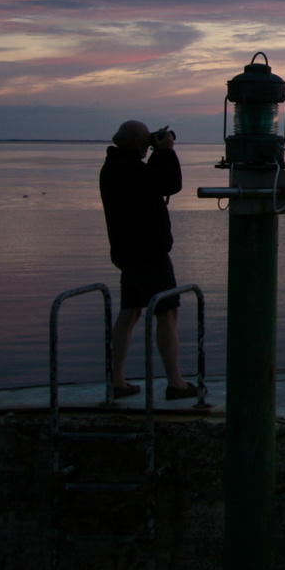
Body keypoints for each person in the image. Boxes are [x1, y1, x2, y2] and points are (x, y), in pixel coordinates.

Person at [100, 120, 195, 399]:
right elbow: (170, 183)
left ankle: (117, 382)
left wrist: (156, 152)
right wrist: (166, 151)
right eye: (145, 141)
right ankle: (176, 383)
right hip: (148, 255)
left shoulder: (114, 167)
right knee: (167, 312)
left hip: (128, 254)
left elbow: (152, 181)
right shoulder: (129, 169)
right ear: (136, 143)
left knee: (130, 313)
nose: (147, 145)